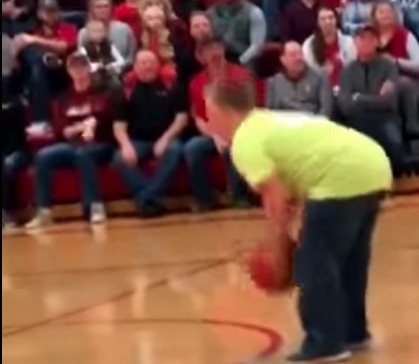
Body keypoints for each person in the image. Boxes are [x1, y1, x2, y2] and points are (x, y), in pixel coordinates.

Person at [204, 80, 392, 364]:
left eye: (208, 109)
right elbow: (295, 187)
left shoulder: (245, 140)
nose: (207, 117)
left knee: (312, 261)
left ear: (220, 109)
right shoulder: (267, 120)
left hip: (339, 177)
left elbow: (276, 197)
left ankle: (324, 343)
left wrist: (279, 251)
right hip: (373, 163)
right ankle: (352, 332)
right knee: (349, 260)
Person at [26, 53, 115, 230]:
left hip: (101, 144)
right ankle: (43, 211)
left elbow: (102, 118)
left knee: (84, 154)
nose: (78, 71)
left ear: (89, 69)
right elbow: (64, 131)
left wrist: (87, 125)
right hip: (72, 145)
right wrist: (84, 125)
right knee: (44, 156)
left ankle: (95, 207)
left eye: (82, 67)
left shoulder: (101, 93)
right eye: (74, 67)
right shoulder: (63, 98)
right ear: (68, 71)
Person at [112, 50, 189, 217]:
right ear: (135, 67)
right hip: (139, 140)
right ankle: (150, 199)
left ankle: (146, 198)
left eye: (152, 62)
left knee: (174, 150)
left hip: (167, 137)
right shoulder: (125, 90)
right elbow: (119, 126)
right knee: (119, 158)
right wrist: (125, 145)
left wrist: (165, 139)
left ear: (158, 65)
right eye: (143, 63)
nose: (148, 66)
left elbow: (182, 118)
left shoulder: (171, 84)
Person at [185, 36, 253, 210]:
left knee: (234, 148)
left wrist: (230, 134)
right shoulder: (196, 82)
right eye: (208, 50)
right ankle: (204, 199)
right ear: (200, 56)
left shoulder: (241, 75)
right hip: (213, 132)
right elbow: (197, 117)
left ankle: (239, 196)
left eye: (217, 48)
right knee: (192, 148)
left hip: (240, 128)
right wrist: (215, 135)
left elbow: (247, 109)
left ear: (223, 50)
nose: (214, 53)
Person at [337, 25, 407, 174]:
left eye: (371, 38)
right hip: (356, 120)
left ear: (377, 42)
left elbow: (390, 102)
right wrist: (375, 98)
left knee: (395, 144)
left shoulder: (388, 66)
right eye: (362, 38)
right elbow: (345, 106)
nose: (366, 42)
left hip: (385, 118)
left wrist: (359, 98)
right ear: (355, 43)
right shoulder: (347, 70)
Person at [13, 0, 78, 134]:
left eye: (53, 11)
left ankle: (40, 120)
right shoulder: (33, 31)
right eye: (46, 12)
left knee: (32, 50)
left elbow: (63, 47)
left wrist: (34, 40)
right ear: (39, 13)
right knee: (32, 57)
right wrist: (17, 50)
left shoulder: (68, 27)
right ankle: (44, 58)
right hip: (37, 72)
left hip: (62, 70)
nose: (50, 15)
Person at [373, 0, 419, 137]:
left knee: (401, 84)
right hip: (377, 83)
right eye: (381, 12)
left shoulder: (406, 35)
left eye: (389, 11)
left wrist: (396, 62)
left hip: (410, 83)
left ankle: (410, 126)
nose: (386, 15)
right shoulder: (369, 38)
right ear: (374, 17)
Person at [207, 0, 266, 68]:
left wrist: (240, 61)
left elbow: (257, 46)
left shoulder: (253, 12)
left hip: (244, 60)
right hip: (218, 62)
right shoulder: (209, 15)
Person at [267, 41, 334, 117]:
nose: (299, 58)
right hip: (285, 125)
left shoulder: (320, 77)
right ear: (283, 60)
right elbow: (270, 114)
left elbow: (327, 111)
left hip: (312, 124)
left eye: (300, 53)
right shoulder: (274, 82)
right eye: (293, 55)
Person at [2, 38, 27, 230]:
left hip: (17, 150)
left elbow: (18, 139)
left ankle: (6, 212)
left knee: (7, 165)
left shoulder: (15, 105)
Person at [78, 0, 136, 64]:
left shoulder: (124, 29)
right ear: (92, 9)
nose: (103, 9)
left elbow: (131, 56)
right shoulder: (84, 33)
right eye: (99, 7)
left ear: (111, 8)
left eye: (106, 6)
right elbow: (82, 60)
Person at [304, 7, 356, 89]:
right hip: (320, 87)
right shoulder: (308, 44)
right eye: (323, 19)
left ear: (336, 20)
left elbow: (352, 66)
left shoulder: (349, 42)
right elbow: (310, 71)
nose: (327, 21)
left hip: (346, 86)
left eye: (331, 18)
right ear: (318, 22)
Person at [79, 18, 126, 90]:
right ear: (88, 34)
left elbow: (121, 60)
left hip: (108, 73)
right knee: (96, 83)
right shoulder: (84, 48)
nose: (98, 34)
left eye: (101, 31)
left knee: (116, 84)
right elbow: (83, 65)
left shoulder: (109, 45)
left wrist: (110, 65)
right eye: (94, 32)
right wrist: (97, 66)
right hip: (93, 75)